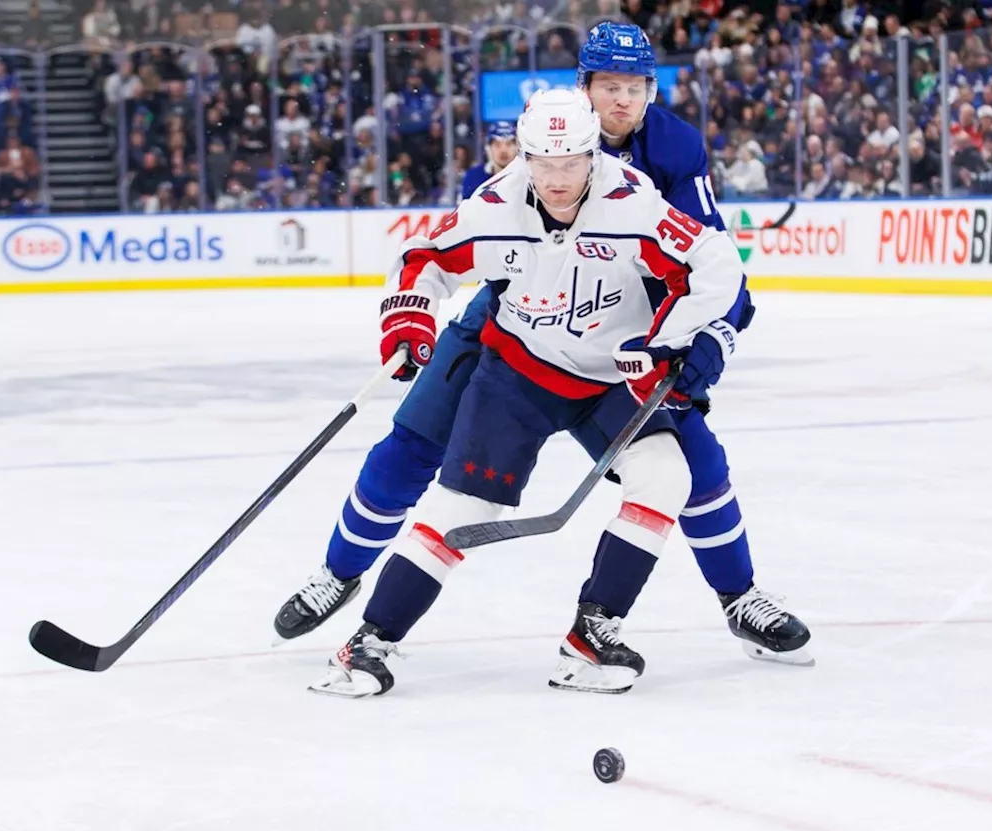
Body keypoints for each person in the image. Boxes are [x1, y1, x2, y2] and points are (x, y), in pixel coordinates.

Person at [276, 23, 812, 670]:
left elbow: (713, 263)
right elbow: (449, 249)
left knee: (691, 465)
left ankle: (738, 595)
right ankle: (341, 572)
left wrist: (709, 336)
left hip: (623, 335)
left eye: (635, 86)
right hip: (513, 320)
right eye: (607, 86)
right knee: (411, 448)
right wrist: (411, 316)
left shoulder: (670, 152)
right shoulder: (535, 150)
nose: (621, 100)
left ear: (651, 90)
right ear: (581, 90)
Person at [312, 88, 735, 697]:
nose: (558, 179)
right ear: (525, 157)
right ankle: (369, 644)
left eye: (572, 163)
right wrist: (409, 318)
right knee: (464, 509)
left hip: (611, 377)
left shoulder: (632, 203)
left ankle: (591, 636)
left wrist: (673, 341)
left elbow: (714, 261)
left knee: (667, 478)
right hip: (518, 374)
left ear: (594, 154)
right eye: (544, 164)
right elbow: (422, 256)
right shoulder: (493, 207)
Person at [460, 120, 519, 200]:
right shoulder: (474, 177)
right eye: (497, 144)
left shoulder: (529, 177)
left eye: (509, 144)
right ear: (488, 148)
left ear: (517, 147)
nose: (503, 150)